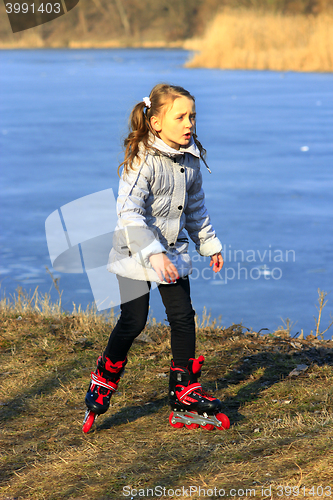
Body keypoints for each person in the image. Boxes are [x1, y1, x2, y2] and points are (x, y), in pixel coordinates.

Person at [83, 83, 230, 432]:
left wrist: (209, 244)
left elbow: (195, 209)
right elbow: (129, 213)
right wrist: (153, 253)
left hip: (173, 252)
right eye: (180, 116)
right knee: (134, 320)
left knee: (183, 316)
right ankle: (104, 377)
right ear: (156, 123)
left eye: (192, 116)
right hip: (135, 251)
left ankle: (184, 391)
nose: (189, 123)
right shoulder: (142, 159)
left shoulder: (190, 160)